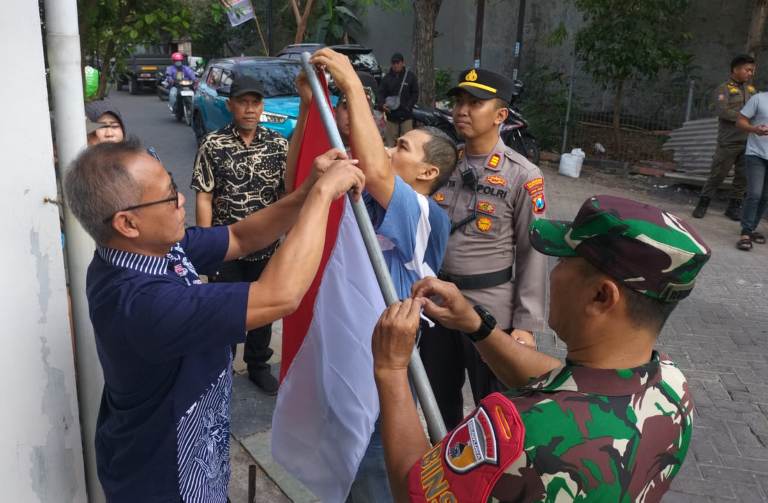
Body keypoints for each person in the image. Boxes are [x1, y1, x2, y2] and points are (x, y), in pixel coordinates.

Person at [63, 138, 363, 502]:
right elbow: (281, 295)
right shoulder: (142, 304)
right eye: (169, 195)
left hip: (191, 453)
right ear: (127, 223)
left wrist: (307, 192)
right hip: (163, 481)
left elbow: (240, 237)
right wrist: (322, 198)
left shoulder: (149, 249)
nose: (182, 200)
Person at [373, 194, 711, 502]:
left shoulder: (521, 435)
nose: (553, 273)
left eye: (563, 262)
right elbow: (563, 382)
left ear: (601, 296)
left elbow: (411, 492)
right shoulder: (671, 389)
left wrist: (391, 369)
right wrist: (476, 325)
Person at [301, 48, 457, 502]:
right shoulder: (373, 196)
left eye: (402, 148)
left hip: (383, 370)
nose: (390, 148)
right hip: (344, 354)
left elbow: (372, 164)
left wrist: (351, 82)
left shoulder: (427, 215)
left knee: (373, 470)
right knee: (342, 469)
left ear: (428, 172)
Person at [420, 67, 548, 431]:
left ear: (500, 115)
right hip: (438, 306)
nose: (462, 110)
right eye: (459, 101)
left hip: (490, 310)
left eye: (475, 103)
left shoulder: (523, 174)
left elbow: (533, 252)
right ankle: (440, 470)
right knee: (436, 403)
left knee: (493, 411)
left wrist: (525, 326)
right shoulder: (444, 165)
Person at [191, 73, 288, 394]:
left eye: (255, 102)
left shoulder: (278, 145)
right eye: (243, 102)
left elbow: (288, 196)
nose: (249, 108)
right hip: (226, 247)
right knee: (224, 313)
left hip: (267, 247)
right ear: (230, 105)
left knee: (262, 311)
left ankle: (259, 364)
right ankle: (222, 369)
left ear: (263, 106)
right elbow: (204, 194)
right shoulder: (213, 144)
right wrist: (205, 247)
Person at [693, 54, 757, 220]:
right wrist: (745, 117)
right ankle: (703, 204)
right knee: (717, 175)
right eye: (747, 70)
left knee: (742, 178)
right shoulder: (723, 89)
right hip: (728, 142)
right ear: (735, 69)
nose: (750, 73)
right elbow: (722, 111)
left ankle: (733, 208)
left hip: (748, 142)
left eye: (752, 71)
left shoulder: (751, 90)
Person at [735, 91, 768, 250]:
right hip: (756, 153)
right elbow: (740, 121)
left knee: (765, 196)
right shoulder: (759, 99)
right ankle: (745, 233)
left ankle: (752, 228)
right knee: (755, 193)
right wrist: (755, 129)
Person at [378, 52, 419, 147]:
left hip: (406, 117)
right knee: (389, 145)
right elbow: (380, 94)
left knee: (407, 144)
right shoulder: (386, 79)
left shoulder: (410, 77)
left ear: (403, 63)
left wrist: (409, 106)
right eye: (394, 63)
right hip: (391, 117)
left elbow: (415, 93)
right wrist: (382, 105)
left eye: (398, 63)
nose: (396, 65)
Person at [165, 51, 198, 116]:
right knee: (174, 94)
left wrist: (195, 80)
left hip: (187, 85)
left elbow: (191, 74)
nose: (178, 62)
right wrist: (171, 80)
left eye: (179, 60)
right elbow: (168, 75)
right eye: (176, 61)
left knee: (196, 93)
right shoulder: (170, 68)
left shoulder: (186, 68)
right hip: (176, 85)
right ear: (173, 61)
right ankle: (175, 108)